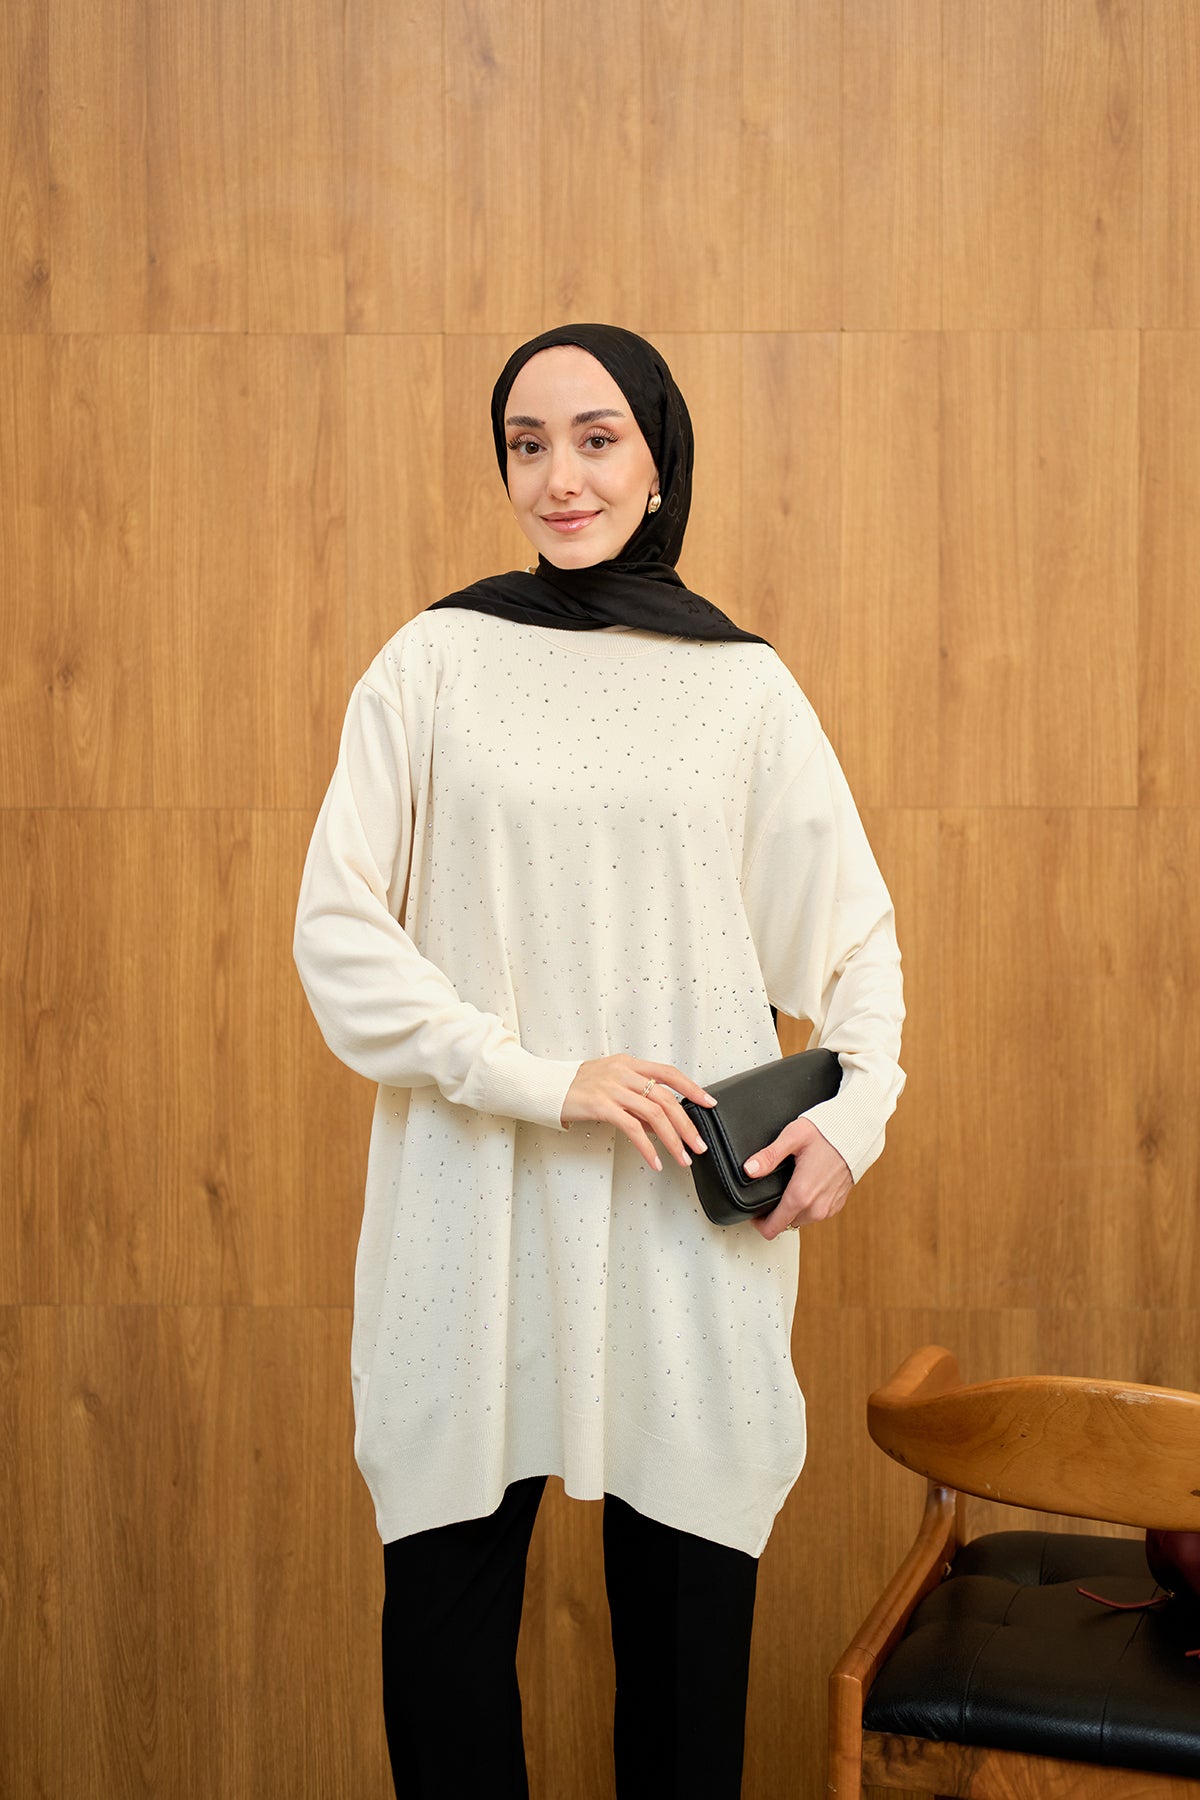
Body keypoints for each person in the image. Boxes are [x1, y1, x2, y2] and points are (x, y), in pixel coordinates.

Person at [293, 323, 904, 1799]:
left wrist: (855, 1118)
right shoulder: (433, 662)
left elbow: (855, 949)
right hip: (471, 1211)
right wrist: (537, 1076)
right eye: (527, 444)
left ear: (658, 458)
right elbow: (337, 934)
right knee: (446, 1651)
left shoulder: (742, 687)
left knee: (688, 1667)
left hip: (677, 1226)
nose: (559, 476)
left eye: (596, 437)